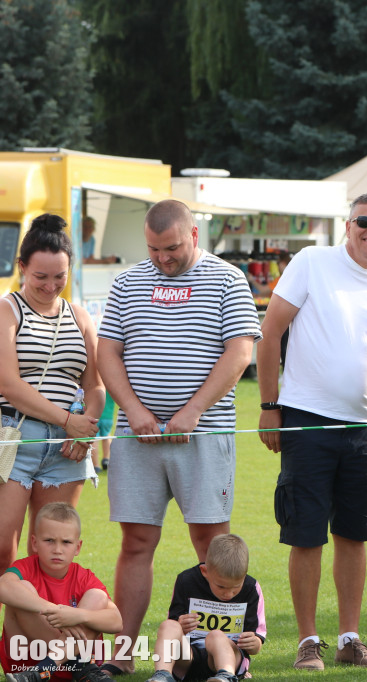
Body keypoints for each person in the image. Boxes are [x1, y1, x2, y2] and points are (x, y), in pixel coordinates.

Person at [97, 199, 261, 675]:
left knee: (213, 546)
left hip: (203, 437)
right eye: (153, 249)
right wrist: (133, 410)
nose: (162, 259)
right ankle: (123, 655)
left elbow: (239, 352)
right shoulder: (128, 281)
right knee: (135, 543)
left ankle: (225, 658)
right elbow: (108, 353)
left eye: (170, 248)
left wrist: (193, 410)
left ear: (193, 235)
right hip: (137, 438)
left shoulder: (229, 278)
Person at [256, 192, 367, 671]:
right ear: (348, 225)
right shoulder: (312, 261)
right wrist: (269, 406)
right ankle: (308, 642)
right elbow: (270, 333)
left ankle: (349, 639)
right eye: (364, 221)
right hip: (306, 419)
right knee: (306, 535)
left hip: (365, 427)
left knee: (353, 535)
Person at [0, 214, 101, 573]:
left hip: (67, 446)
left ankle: (34, 631)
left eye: (60, 276)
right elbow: (8, 384)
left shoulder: (81, 316)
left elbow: (95, 386)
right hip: (14, 437)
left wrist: (86, 429)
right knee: (2, 549)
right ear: (22, 267)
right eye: (40, 276)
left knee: (52, 558)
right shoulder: (7, 310)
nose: (50, 285)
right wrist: (68, 420)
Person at [0, 502, 121, 682]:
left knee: (97, 597)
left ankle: (45, 669)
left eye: (66, 542)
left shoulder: (84, 577)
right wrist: (57, 614)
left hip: (45, 670)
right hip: (26, 664)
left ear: (78, 547)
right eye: (49, 540)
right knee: (21, 591)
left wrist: (78, 616)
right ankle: (78, 665)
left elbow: (117, 622)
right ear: (34, 543)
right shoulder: (25, 568)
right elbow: (3, 586)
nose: (57, 550)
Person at [145, 534, 266, 682]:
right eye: (221, 586)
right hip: (188, 657)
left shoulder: (251, 587)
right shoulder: (186, 580)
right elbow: (174, 622)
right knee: (168, 625)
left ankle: (226, 676)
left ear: (244, 575)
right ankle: (162, 675)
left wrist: (255, 644)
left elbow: (256, 637)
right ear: (205, 572)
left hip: (228, 655)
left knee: (216, 636)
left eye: (236, 587)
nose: (228, 593)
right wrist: (180, 624)